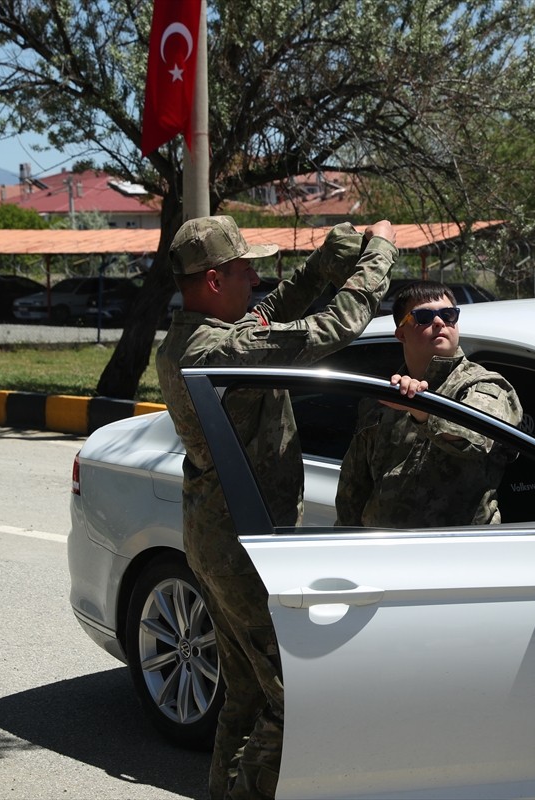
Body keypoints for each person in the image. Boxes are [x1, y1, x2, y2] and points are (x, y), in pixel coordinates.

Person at [156, 215, 396, 800]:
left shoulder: (200, 335)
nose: (256, 279)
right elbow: (323, 330)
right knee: (294, 694)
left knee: (246, 691)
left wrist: (330, 257)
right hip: (242, 545)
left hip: (221, 535)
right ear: (213, 281)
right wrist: (378, 259)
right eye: (245, 271)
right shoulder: (215, 349)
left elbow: (274, 313)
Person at [335, 280, 522, 528]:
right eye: (423, 316)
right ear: (401, 333)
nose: (439, 322)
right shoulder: (381, 398)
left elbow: (473, 438)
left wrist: (421, 411)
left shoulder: (484, 386)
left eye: (448, 314)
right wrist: (345, 538)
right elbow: (354, 485)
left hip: (460, 549)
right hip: (382, 549)